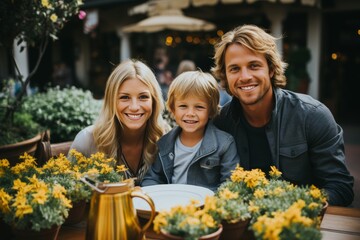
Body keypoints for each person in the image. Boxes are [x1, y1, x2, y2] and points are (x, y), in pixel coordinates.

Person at [211, 24, 354, 206]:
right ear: (225, 75)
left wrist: (292, 207)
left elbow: (340, 187)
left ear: (270, 69)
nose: (245, 76)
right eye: (234, 69)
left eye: (254, 66)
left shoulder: (312, 116)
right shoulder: (221, 122)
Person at [69, 59, 169, 185]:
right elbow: (69, 192)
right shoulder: (87, 140)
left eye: (143, 97)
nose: (134, 107)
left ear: (154, 101)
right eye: (124, 97)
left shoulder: (164, 135)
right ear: (112, 101)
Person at [141, 70, 240, 191]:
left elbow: (230, 183)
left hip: (207, 206)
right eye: (183, 106)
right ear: (173, 109)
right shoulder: (164, 143)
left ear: (210, 110)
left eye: (199, 107)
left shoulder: (224, 144)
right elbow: (153, 177)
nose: (190, 113)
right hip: (171, 206)